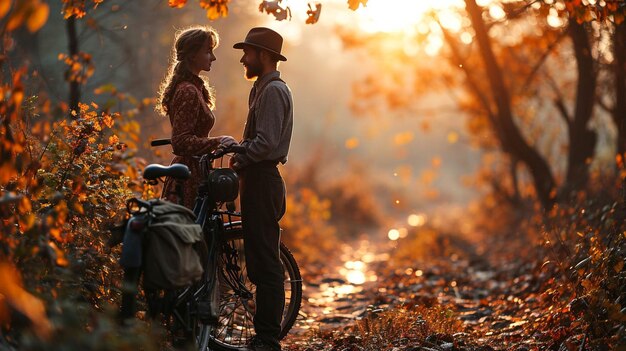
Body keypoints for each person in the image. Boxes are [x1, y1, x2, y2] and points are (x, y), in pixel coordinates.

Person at [230, 27, 294, 351]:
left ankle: (268, 339)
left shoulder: (272, 92)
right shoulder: (260, 89)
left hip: (263, 179)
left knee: (266, 264)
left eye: (249, 52)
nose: (244, 57)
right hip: (256, 179)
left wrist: (241, 157)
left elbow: (266, 143)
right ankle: (264, 335)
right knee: (257, 260)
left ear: (265, 56)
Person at [156, 26, 238, 209]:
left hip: (196, 172)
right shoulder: (188, 91)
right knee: (190, 235)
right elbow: (180, 141)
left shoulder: (195, 88)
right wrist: (218, 142)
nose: (213, 57)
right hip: (188, 178)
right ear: (192, 55)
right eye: (208, 51)